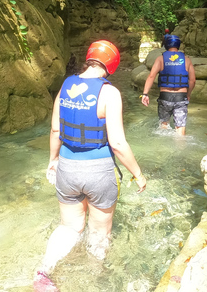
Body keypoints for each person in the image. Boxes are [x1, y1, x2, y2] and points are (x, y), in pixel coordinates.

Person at [34, 40, 147, 291]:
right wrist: (138, 174)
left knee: (69, 227)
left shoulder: (66, 86)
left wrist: (52, 161)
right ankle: (93, 282)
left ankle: (44, 271)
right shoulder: (110, 93)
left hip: (67, 167)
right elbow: (117, 143)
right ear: (112, 65)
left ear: (89, 58)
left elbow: (55, 130)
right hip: (99, 171)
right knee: (99, 234)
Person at [140, 35, 196, 136]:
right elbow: (192, 80)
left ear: (166, 44)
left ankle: (163, 150)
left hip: (165, 97)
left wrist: (145, 93)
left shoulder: (160, 59)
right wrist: (188, 94)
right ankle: (180, 149)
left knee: (163, 126)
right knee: (180, 128)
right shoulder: (187, 60)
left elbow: (151, 76)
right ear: (178, 45)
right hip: (181, 97)